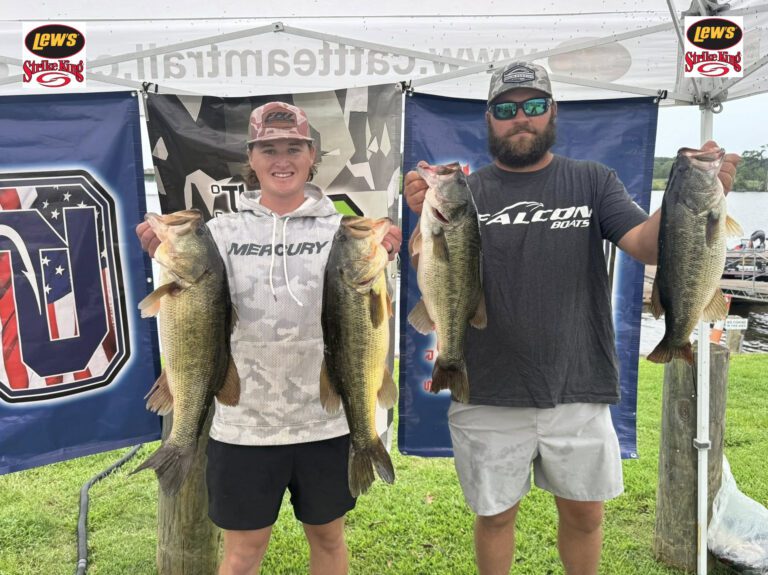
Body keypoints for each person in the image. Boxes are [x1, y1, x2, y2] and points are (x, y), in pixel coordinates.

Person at [404, 61, 739, 575]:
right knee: (494, 517)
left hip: (579, 383)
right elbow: (430, 268)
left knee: (585, 516)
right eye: (507, 109)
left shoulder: (592, 180)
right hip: (488, 385)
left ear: (552, 113)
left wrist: (697, 201)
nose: (522, 118)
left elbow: (647, 247)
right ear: (489, 119)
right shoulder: (468, 193)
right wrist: (422, 222)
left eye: (534, 106)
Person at [137, 101, 402, 575]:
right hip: (244, 424)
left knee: (328, 538)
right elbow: (193, 311)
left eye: (293, 148)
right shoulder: (219, 231)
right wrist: (163, 254)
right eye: (269, 149)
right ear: (251, 159)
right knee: (243, 550)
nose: (282, 159)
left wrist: (388, 255)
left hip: (327, 420)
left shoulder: (341, 229)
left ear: (312, 155)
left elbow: (372, 310)